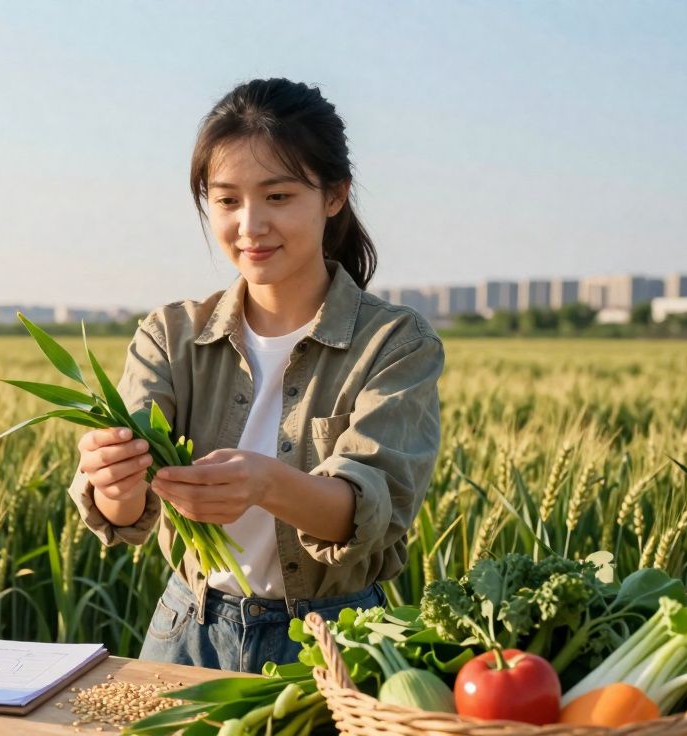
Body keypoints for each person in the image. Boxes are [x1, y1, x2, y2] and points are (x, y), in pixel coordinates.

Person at [66, 77, 444, 673]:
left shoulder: (394, 344)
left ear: (335, 196)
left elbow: (370, 512)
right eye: (226, 200)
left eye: (278, 196)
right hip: (188, 632)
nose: (250, 225)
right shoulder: (169, 335)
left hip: (335, 643)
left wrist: (266, 484)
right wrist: (115, 478)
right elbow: (124, 512)